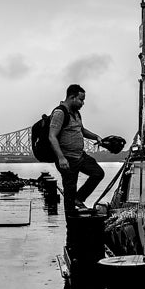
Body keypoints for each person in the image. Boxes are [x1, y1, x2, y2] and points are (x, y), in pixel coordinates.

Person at [49, 84, 105, 215]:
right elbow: (52, 136)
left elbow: (82, 130)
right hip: (67, 158)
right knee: (70, 190)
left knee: (98, 173)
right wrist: (61, 158)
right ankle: (71, 220)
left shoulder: (76, 113)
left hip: (80, 156)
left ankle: (79, 198)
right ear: (72, 97)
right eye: (81, 99)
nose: (83, 103)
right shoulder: (59, 113)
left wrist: (95, 136)